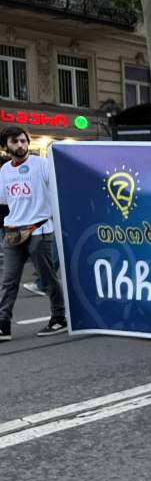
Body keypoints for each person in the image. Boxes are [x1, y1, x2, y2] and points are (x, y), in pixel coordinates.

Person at [0, 127, 67, 339]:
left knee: (47, 278)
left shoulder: (41, 164)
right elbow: (4, 200)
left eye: (22, 140)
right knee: (9, 281)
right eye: (14, 141)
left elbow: (58, 184)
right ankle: (3, 324)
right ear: (5, 146)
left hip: (39, 230)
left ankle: (59, 318)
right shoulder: (4, 170)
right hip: (12, 231)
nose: (20, 145)